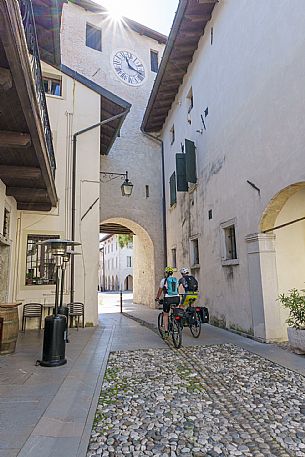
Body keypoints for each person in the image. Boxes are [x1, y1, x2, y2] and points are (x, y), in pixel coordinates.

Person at [155, 266, 180, 337]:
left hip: (168, 299)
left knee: (165, 314)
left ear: (166, 273)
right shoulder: (176, 280)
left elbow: (160, 291)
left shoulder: (164, 280)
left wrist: (157, 298)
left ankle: (166, 332)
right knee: (175, 311)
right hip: (177, 298)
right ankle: (177, 324)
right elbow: (177, 289)